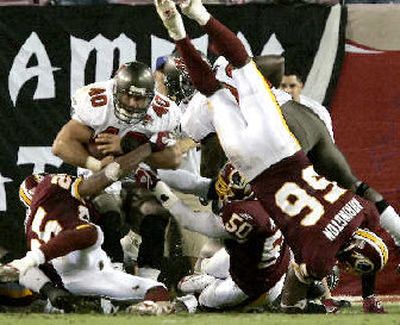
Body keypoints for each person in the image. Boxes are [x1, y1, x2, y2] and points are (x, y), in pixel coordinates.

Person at [154, 0, 391, 313]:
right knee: (214, 94)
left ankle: (197, 15)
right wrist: (304, 303)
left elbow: (369, 216)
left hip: (283, 148)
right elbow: (293, 297)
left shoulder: (361, 212)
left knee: (242, 65)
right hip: (254, 168)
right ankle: (179, 36)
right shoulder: (320, 253)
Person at [0, 136, 174, 310]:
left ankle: (61, 293)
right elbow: (103, 181)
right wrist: (145, 149)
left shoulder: (34, 221)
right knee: (94, 231)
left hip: (60, 275)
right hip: (83, 267)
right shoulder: (55, 188)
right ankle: (121, 277)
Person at [52, 60, 182, 279]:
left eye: (139, 97)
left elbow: (173, 159)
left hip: (135, 178)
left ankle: (148, 287)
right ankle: (112, 280)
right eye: (127, 95)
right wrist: (96, 165)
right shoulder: (97, 103)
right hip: (97, 178)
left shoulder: (164, 112)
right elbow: (62, 145)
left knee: (156, 216)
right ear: (115, 91)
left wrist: (127, 145)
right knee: (108, 215)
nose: (132, 103)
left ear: (151, 98)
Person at [280, 72, 334, 141]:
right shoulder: (269, 107)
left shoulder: (318, 111)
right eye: (283, 86)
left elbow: (328, 145)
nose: (287, 90)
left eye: (292, 86)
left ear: (301, 86)